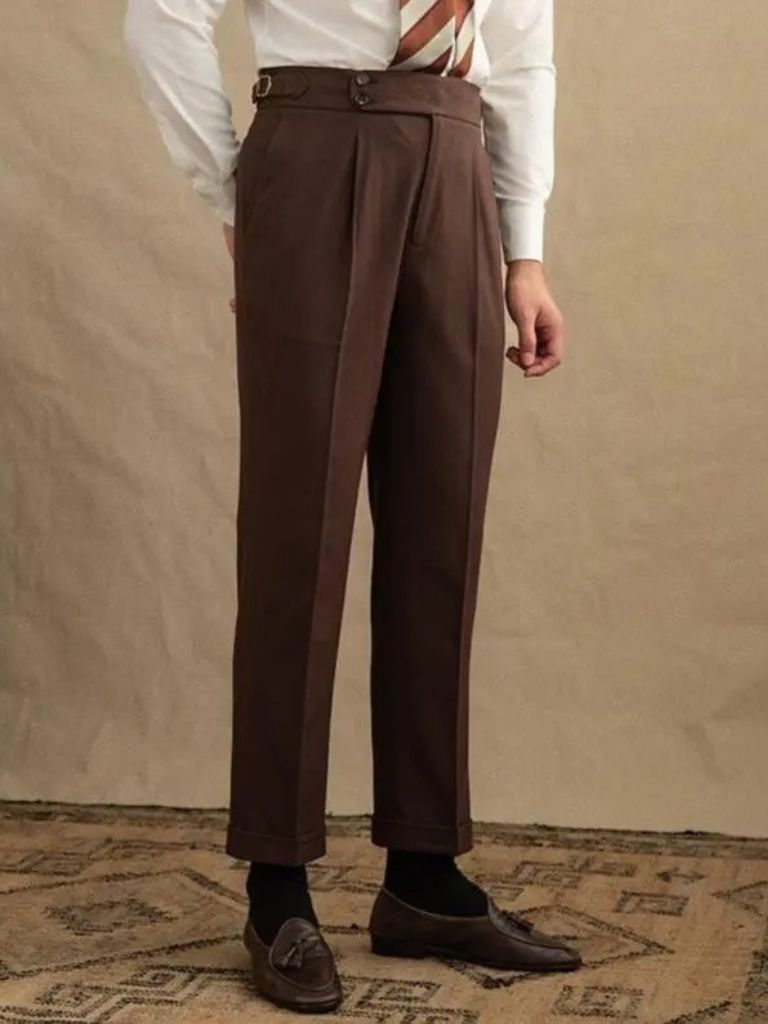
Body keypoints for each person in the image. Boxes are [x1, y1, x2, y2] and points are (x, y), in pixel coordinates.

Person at [123, 0, 580, 1012]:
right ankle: (276, 885)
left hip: (456, 161)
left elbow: (522, 56)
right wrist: (238, 192)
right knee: (300, 530)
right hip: (315, 151)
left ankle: (424, 873)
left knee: (441, 525)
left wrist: (525, 250)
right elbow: (160, 13)